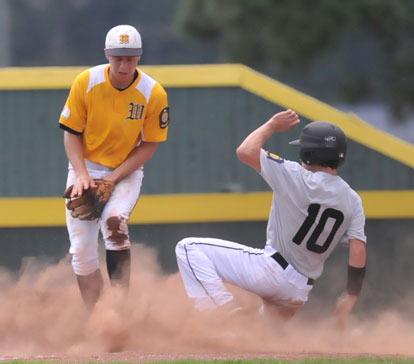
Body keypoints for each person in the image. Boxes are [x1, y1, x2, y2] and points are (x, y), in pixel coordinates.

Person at [175, 109, 366, 327]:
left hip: (271, 272)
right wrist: (351, 295)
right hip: (298, 293)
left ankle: (222, 311)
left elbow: (245, 151)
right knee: (252, 337)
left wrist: (272, 125)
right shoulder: (352, 199)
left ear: (308, 154)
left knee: (188, 248)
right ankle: (233, 329)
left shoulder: (295, 175)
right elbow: (358, 250)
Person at [59, 24, 169, 309]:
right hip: (86, 167)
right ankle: (97, 317)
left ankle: (119, 311)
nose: (123, 65)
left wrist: (114, 178)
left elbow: (149, 144)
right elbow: (71, 133)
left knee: (115, 222)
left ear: (139, 57)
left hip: (125, 170)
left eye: (130, 58)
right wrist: (82, 174)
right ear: (106, 54)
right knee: (81, 252)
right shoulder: (87, 81)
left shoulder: (152, 92)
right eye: (118, 57)